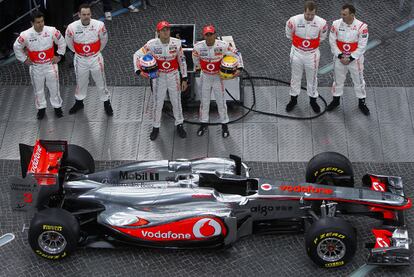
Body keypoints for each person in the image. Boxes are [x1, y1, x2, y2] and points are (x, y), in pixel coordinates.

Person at [133, 21, 188, 141]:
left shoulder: (177, 43)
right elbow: (136, 55)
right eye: (163, 30)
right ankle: (156, 126)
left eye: (167, 29)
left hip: (174, 75)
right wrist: (139, 71)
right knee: (157, 104)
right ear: (158, 32)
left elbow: (182, 61)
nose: (166, 32)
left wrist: (184, 78)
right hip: (158, 77)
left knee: (176, 101)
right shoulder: (151, 44)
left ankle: (179, 124)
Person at [192, 25, 243, 138]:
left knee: (221, 101)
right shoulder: (198, 47)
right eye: (207, 35)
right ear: (204, 36)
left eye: (211, 34)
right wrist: (200, 68)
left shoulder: (223, 45)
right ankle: (203, 123)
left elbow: (237, 53)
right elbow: (195, 59)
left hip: (217, 77)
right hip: (205, 76)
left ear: (215, 34)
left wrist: (239, 68)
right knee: (204, 102)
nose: (209, 37)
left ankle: (224, 124)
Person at [13, 11, 66, 120]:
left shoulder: (52, 30)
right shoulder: (25, 35)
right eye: (37, 22)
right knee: (38, 89)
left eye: (42, 21)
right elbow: (16, 47)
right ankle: (41, 108)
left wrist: (59, 55)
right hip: (35, 67)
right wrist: (24, 60)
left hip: (50, 65)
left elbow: (62, 42)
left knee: (54, 87)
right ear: (32, 23)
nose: (41, 24)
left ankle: (57, 107)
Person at [65, 3, 113, 116]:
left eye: (88, 14)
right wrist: (80, 53)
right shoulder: (71, 28)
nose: (86, 16)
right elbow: (69, 43)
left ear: (91, 14)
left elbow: (104, 40)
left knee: (101, 81)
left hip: (95, 59)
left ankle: (107, 103)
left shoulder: (99, 25)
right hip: (80, 59)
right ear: (78, 14)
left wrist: (94, 52)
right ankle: (79, 102)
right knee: (81, 82)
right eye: (83, 14)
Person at [285, 0, 328, 113]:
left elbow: (322, 37)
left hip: (312, 55)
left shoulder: (322, 23)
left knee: (312, 79)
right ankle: (293, 100)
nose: (309, 16)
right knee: (295, 77)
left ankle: (313, 100)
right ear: (304, 11)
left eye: (312, 14)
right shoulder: (293, 20)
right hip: (297, 53)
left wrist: (310, 47)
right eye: (307, 14)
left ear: (315, 13)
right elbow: (289, 34)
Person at [327, 3, 370, 115]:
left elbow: (362, 46)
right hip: (339, 59)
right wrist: (340, 56)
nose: (342, 16)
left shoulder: (362, 27)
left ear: (352, 14)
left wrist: (350, 58)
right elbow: (332, 41)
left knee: (359, 81)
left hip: (355, 60)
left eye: (345, 14)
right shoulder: (336, 24)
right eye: (341, 14)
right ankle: (335, 100)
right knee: (338, 80)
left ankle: (362, 102)